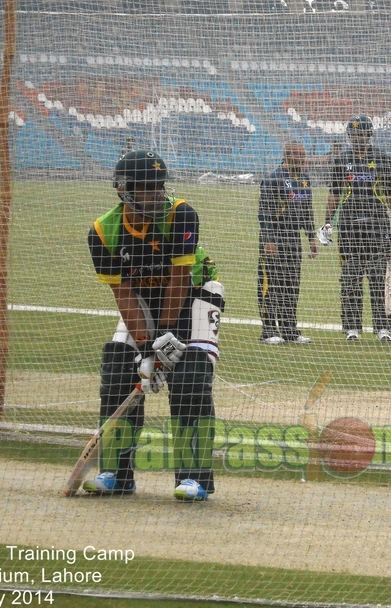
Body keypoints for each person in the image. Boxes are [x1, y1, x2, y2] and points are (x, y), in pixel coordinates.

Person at [84, 149, 224, 500]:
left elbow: (179, 278)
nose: (157, 194)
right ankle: (116, 473)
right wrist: (147, 347)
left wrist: (165, 342)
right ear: (124, 190)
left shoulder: (181, 215)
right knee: (118, 367)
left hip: (194, 295)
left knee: (190, 374)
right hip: (143, 301)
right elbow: (123, 295)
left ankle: (195, 479)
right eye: (147, 187)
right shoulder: (102, 232)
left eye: (160, 186)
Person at [319, 115, 391, 342]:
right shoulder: (340, 160)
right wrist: (328, 222)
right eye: (353, 135)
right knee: (350, 277)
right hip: (348, 226)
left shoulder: (383, 159)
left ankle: (383, 327)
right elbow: (334, 194)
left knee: (379, 277)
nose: (356, 138)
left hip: (377, 225)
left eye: (360, 134)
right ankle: (351, 327)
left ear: (369, 135)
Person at [257, 140, 318, 345]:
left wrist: (311, 237)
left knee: (292, 286)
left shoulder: (304, 180)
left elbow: (307, 211)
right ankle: (268, 331)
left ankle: (290, 330)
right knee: (272, 284)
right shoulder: (274, 179)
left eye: (304, 155)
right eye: (299, 156)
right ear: (288, 155)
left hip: (293, 241)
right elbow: (264, 213)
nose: (303, 160)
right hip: (275, 240)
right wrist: (268, 240)